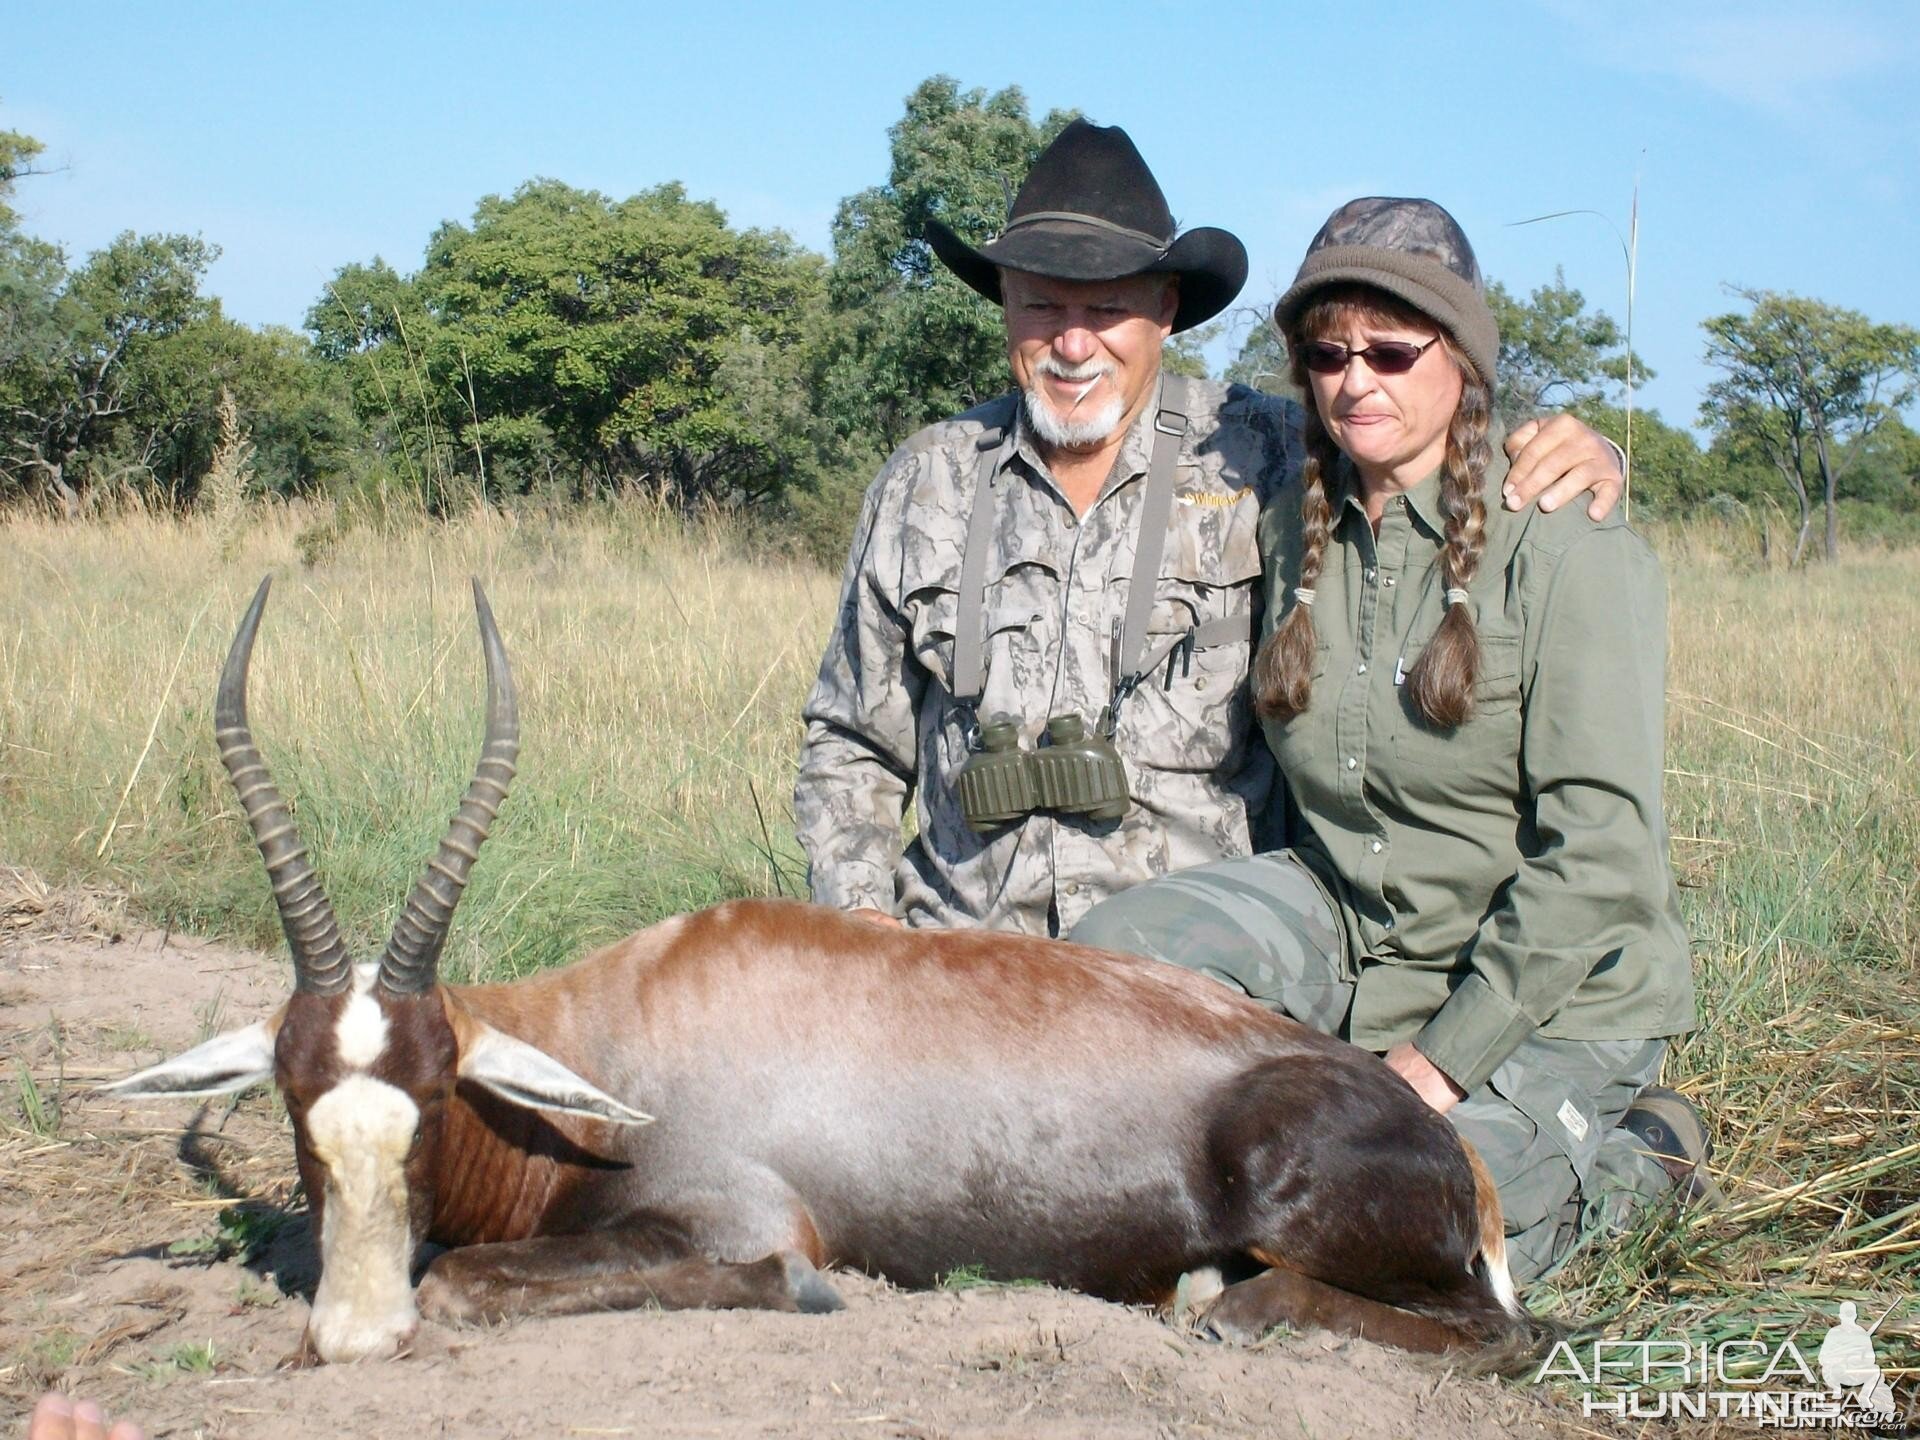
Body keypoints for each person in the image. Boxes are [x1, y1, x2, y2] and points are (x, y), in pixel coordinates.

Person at [1067, 197, 1708, 1281]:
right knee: (1102, 973)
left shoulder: (1567, 547)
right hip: (1351, 928)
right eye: (1326, 352)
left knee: (1405, 1229)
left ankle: (1643, 1153)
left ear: (1461, 359)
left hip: (1546, 983)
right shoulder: (1287, 518)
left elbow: (1601, 857)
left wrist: (1440, 1065)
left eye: (1393, 351)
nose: (1356, 379)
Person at [793, 121, 1627, 938]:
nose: (1073, 342)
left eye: (1109, 306)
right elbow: (851, 738)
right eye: (1042, 304)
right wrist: (861, 918)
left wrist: (1577, 448)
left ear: (1166, 309)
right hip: (960, 954)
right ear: (1004, 306)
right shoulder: (925, 479)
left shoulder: (1262, 448)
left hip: (1199, 971)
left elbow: (1412, 439)